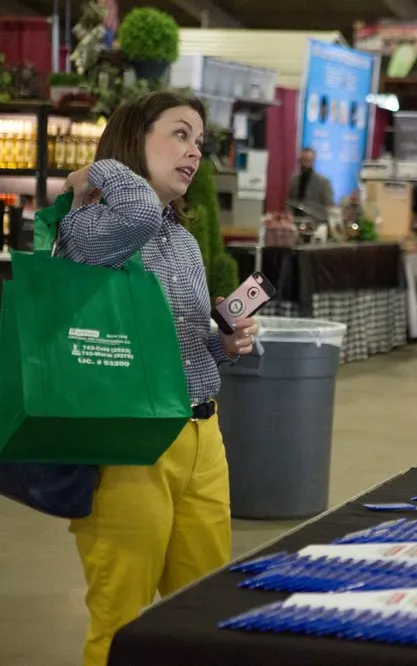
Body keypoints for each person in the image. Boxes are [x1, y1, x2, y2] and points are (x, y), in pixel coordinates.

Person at [58, 90, 258, 666]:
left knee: (203, 611)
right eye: (179, 134)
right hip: (127, 446)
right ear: (132, 140)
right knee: (121, 620)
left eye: (199, 141)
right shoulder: (91, 226)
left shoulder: (184, 242)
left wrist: (224, 341)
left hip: (200, 438)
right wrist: (97, 167)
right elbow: (139, 210)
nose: (195, 152)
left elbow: (192, 353)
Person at [286, 147, 334, 220]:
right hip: (296, 221)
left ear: (313, 161)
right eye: (302, 160)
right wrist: (289, 214)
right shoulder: (294, 179)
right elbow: (289, 200)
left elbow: (329, 206)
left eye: (308, 161)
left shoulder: (323, 182)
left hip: (316, 224)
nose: (305, 164)